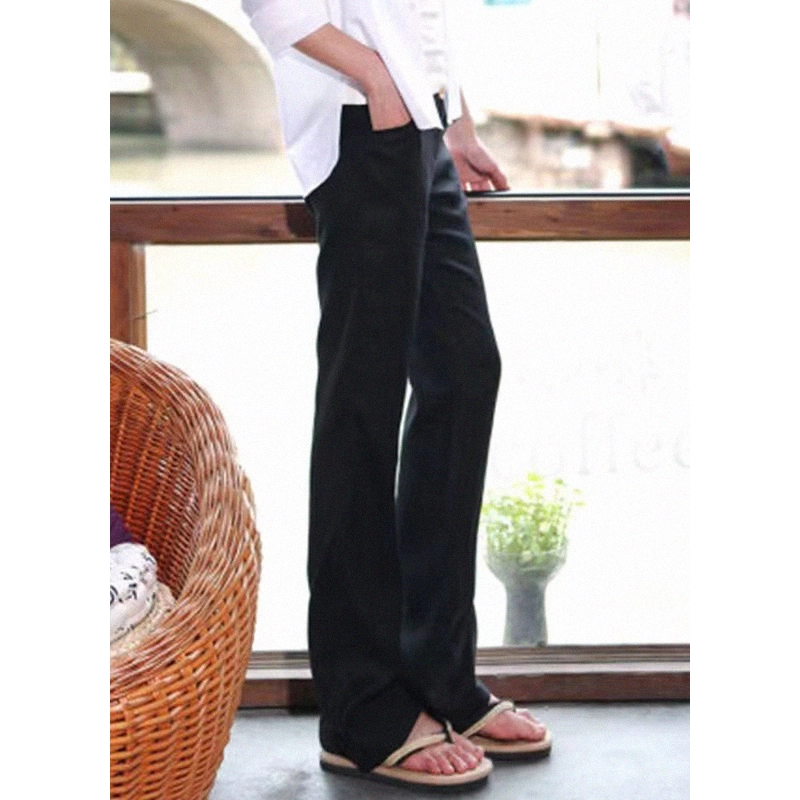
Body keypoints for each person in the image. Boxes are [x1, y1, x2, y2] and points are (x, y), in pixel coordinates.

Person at [242, 0, 551, 789]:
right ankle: (362, 709)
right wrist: (374, 76)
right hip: (363, 121)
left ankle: (435, 673)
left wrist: (454, 118)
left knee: (465, 371)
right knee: (364, 408)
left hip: (420, 122)